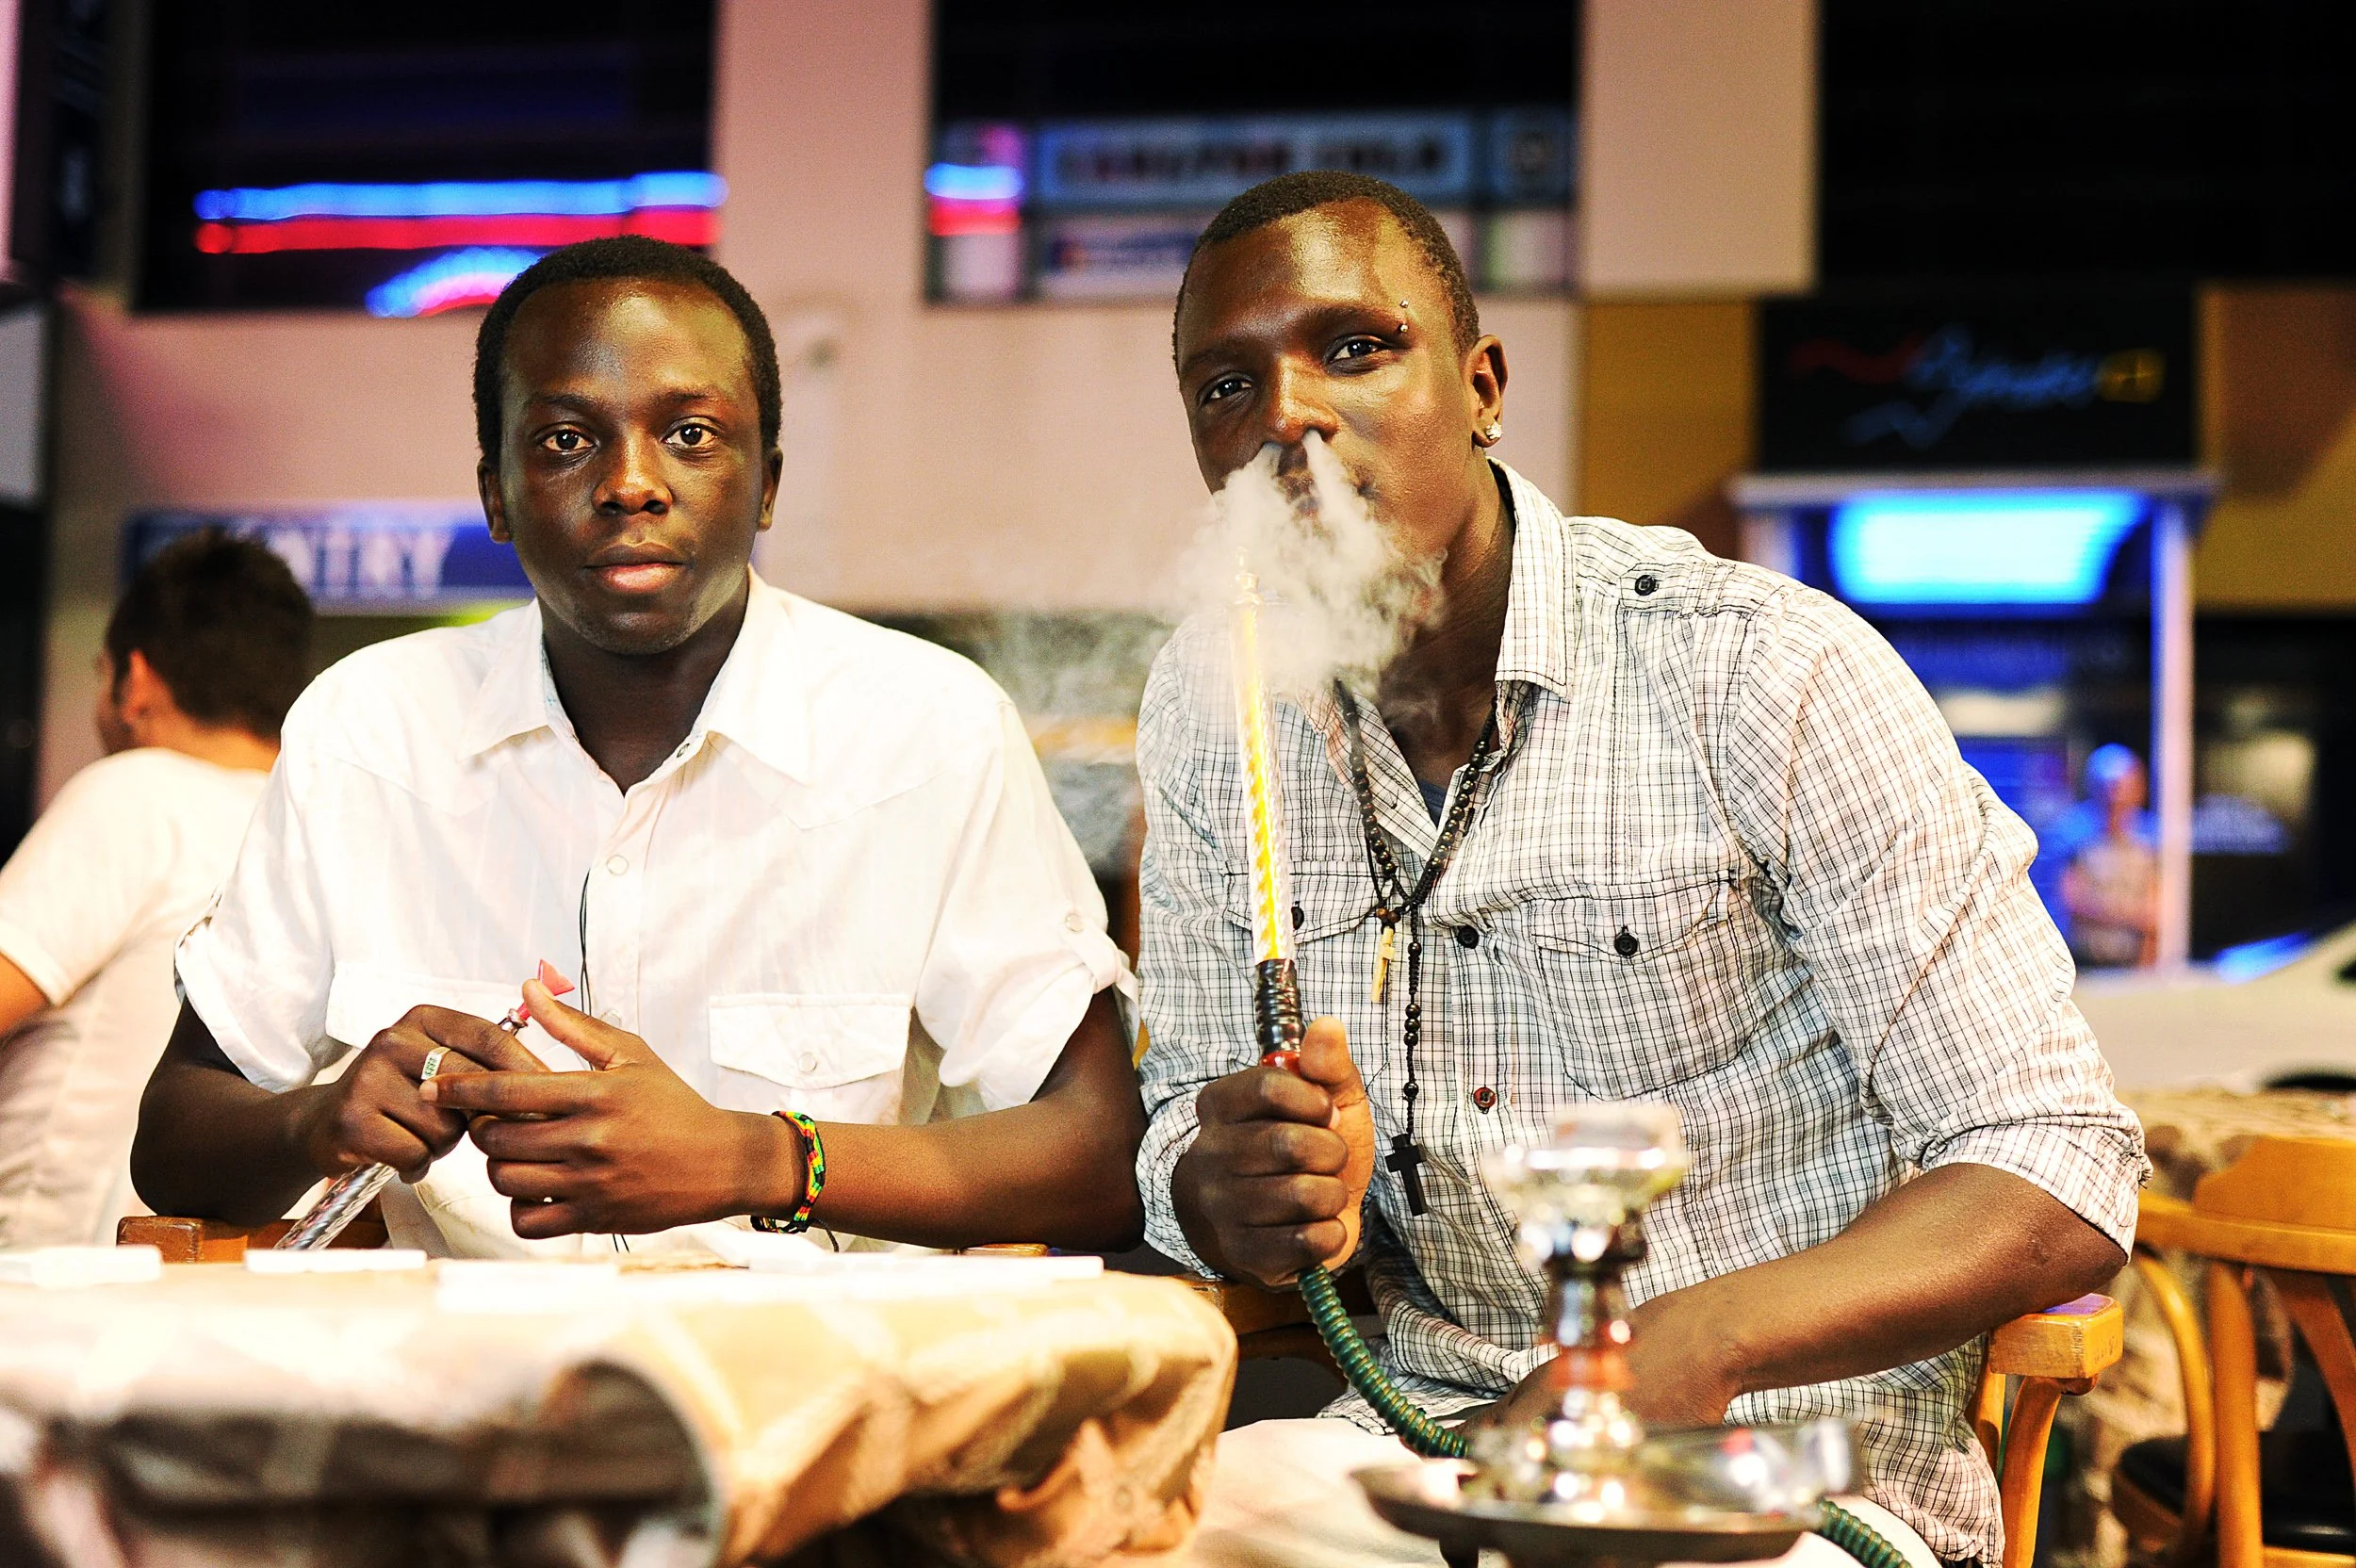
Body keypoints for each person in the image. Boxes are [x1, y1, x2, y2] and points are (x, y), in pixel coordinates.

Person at [1136, 172, 2145, 1568]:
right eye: (1224, 388)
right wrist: (1224, 1189)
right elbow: (1179, 1133)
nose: (1287, 417)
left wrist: (1692, 1346)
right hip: (1429, 1443)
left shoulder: (1760, 669)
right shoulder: (1213, 696)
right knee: (1126, 1535)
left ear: (1483, 385)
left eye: (1355, 348)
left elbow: (2055, 1166)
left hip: (1787, 1467)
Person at [133, 237, 1144, 1259]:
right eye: (567, 439)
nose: (631, 483)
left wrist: (755, 1158)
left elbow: (1100, 1151)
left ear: (766, 486)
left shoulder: (926, 730)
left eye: (693, 434)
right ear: (495, 491)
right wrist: (316, 1121)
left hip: (811, 1396)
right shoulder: (365, 731)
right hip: (461, 1391)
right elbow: (174, 1136)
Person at [0, 532, 310, 1250]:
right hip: (220, 1277)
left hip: (57, 1276)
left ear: (134, 681)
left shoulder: (135, 793)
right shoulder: (308, 825)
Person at [2055, 744, 2158, 969]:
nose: (2115, 796)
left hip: (2133, 966)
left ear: (2138, 789)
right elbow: (2071, 902)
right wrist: (2129, 915)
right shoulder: (2071, 834)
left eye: (2122, 786)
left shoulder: (2151, 838)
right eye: (2107, 787)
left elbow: (2155, 914)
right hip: (2083, 963)